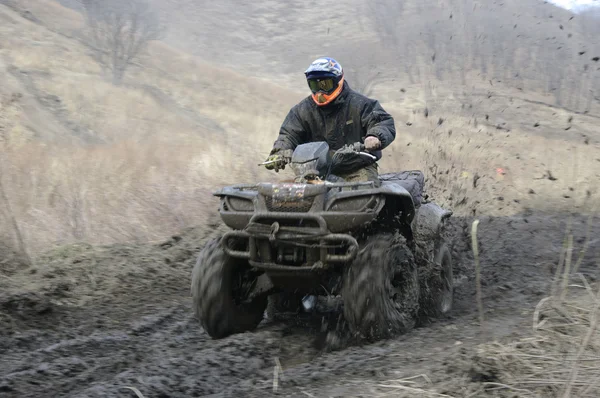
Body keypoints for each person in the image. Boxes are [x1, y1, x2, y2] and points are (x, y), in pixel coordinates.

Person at [264, 57, 396, 185]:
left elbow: (383, 122)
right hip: (313, 172)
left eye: (325, 85)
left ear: (338, 81)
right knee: (289, 199)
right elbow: (288, 135)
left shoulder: (361, 104)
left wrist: (375, 136)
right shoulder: (301, 111)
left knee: (364, 196)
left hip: (356, 168)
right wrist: (280, 152)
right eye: (315, 85)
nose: (320, 92)